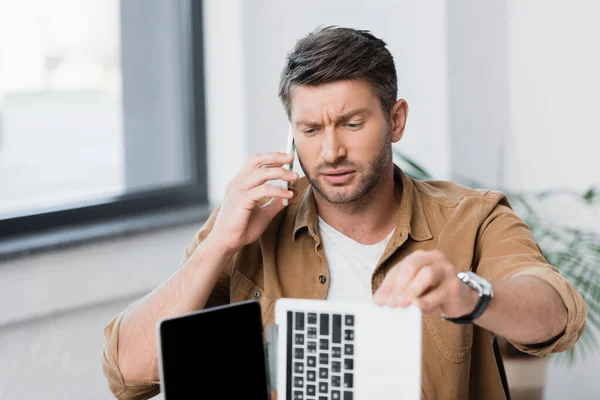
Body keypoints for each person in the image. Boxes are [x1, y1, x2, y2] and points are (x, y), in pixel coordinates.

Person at [102, 26, 587, 400]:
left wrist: (466, 295)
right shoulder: (248, 223)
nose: (330, 151)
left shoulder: (472, 218)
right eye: (310, 130)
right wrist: (219, 244)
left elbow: (555, 315)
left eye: (352, 124)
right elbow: (128, 372)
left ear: (395, 120)